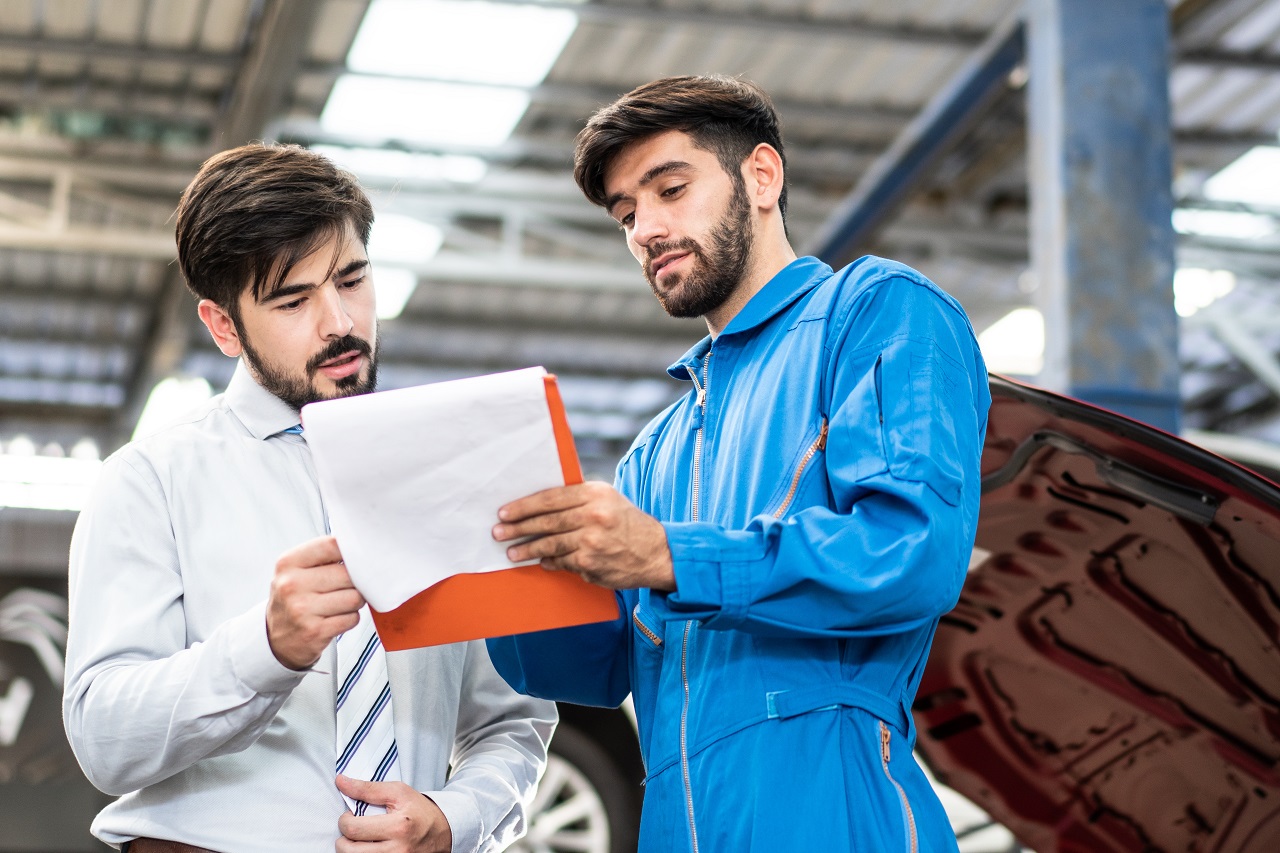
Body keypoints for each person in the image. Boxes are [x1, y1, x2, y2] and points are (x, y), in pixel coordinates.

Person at [486, 75, 991, 851]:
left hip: (834, 812)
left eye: (670, 188)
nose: (645, 229)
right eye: (626, 214)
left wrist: (667, 553)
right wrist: (507, 561)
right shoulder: (657, 449)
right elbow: (597, 668)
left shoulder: (874, 313)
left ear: (761, 176)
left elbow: (911, 551)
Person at [63, 143, 556, 853]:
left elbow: (512, 721)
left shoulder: (453, 471)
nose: (339, 322)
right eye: (293, 300)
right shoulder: (149, 481)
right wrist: (265, 647)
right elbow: (103, 738)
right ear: (223, 325)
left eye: (351, 280)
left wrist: (457, 820)